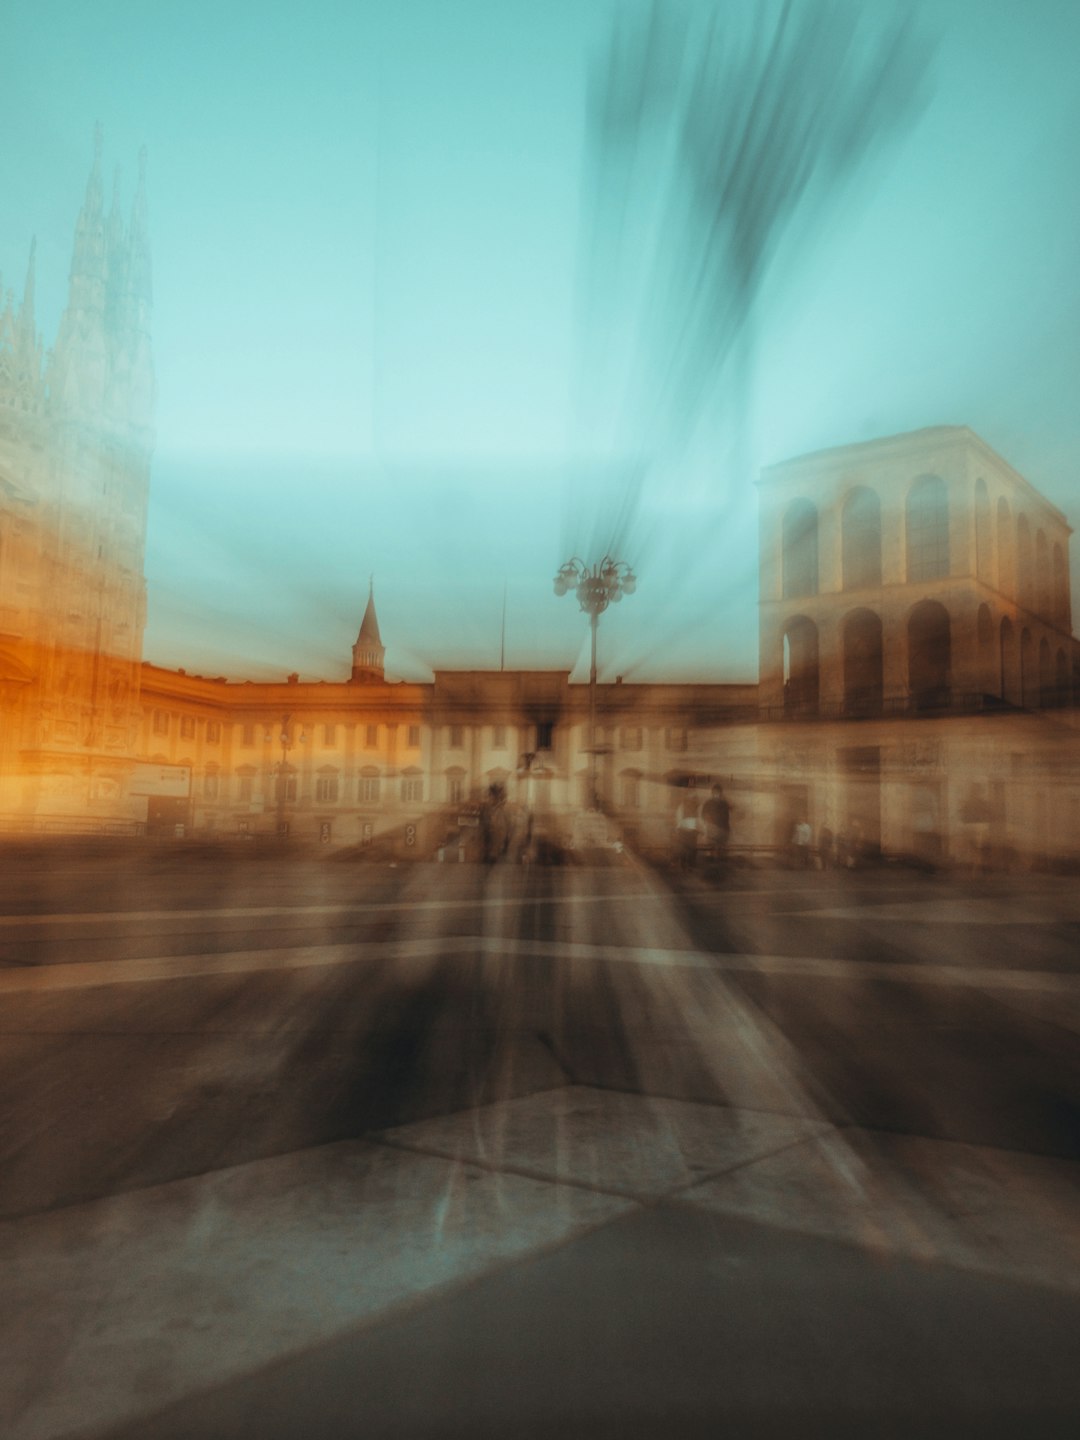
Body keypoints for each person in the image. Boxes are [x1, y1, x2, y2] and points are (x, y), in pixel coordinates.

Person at [701, 784, 731, 865]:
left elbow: (726, 817)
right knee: (714, 848)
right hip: (716, 829)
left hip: (721, 830)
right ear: (712, 793)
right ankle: (715, 863)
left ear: (720, 793)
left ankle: (717, 863)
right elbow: (704, 816)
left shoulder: (724, 803)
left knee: (720, 848)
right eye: (715, 792)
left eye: (718, 792)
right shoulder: (710, 803)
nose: (716, 794)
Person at [674, 791, 701, 870]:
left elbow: (698, 819)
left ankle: (691, 865)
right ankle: (684, 864)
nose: (691, 800)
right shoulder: (682, 807)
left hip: (692, 830)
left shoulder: (696, 808)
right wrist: (678, 828)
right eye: (689, 798)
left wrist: (698, 828)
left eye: (693, 798)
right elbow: (679, 818)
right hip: (684, 830)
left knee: (692, 848)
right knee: (684, 848)